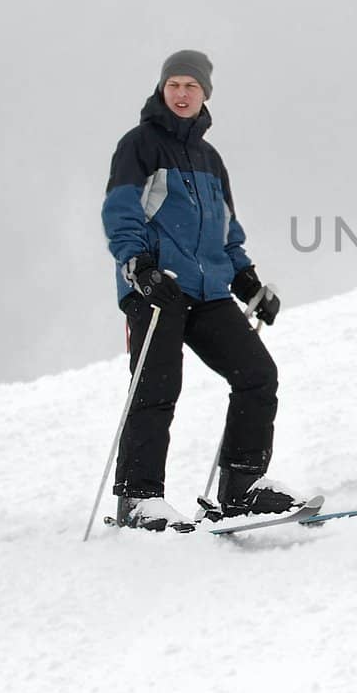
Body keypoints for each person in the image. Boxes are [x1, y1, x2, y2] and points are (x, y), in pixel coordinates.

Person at [101, 50, 295, 530]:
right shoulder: (139, 145)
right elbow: (121, 211)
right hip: (157, 287)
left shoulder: (210, 159)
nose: (182, 93)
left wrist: (246, 279)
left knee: (257, 374)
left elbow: (226, 228)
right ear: (162, 90)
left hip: (208, 291)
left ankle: (241, 488)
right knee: (157, 387)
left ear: (205, 92)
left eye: (191, 85)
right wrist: (139, 267)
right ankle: (139, 499)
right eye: (175, 85)